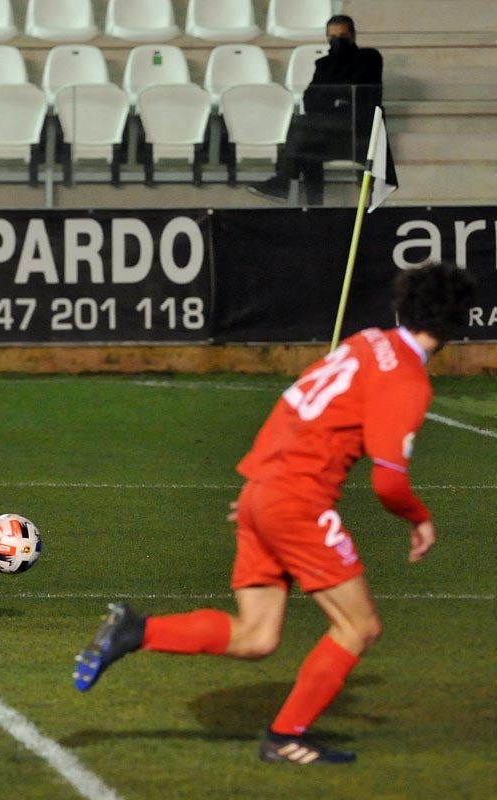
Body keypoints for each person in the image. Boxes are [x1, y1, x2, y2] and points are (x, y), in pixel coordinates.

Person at [71, 262, 476, 765]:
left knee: (257, 636)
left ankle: (136, 630)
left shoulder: (366, 340)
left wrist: (258, 486)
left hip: (264, 487)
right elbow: (389, 481)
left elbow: (295, 403)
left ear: (404, 305)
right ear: (457, 323)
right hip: (297, 500)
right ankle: (286, 735)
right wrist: (418, 518)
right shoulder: (408, 380)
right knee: (360, 627)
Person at [249, 14, 385, 205]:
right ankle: (314, 206)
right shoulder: (324, 65)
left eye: (343, 36)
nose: (338, 41)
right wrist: (336, 98)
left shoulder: (369, 58)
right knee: (305, 150)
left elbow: (359, 93)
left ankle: (283, 182)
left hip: (359, 132)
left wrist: (331, 96)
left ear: (353, 36)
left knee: (300, 127)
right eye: (333, 37)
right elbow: (310, 99)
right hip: (328, 134)